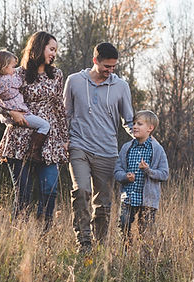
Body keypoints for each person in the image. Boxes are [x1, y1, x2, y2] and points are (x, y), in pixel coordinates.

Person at [0, 31, 68, 231]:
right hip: (19, 137)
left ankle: (44, 235)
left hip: (48, 139)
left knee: (49, 189)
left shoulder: (57, 74)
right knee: (22, 192)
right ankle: (19, 236)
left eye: (55, 50)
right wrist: (11, 113)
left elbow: (59, 107)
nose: (54, 54)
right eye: (51, 49)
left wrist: (64, 138)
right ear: (38, 47)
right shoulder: (18, 74)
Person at [63, 42, 135, 254]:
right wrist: (63, 139)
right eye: (106, 66)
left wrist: (144, 141)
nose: (110, 71)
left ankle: (100, 245)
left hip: (107, 151)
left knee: (103, 204)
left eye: (113, 67)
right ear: (95, 61)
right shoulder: (74, 81)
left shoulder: (121, 86)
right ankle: (84, 242)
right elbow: (65, 114)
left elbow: (129, 120)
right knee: (81, 190)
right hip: (79, 146)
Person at [114, 110, 169, 247]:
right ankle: (126, 250)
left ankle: (146, 259)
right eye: (133, 124)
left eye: (139, 124)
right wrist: (125, 177)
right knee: (123, 223)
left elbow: (164, 174)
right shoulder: (127, 148)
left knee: (146, 231)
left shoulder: (156, 149)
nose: (134, 127)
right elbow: (117, 170)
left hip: (148, 199)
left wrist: (148, 171)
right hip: (128, 196)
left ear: (150, 128)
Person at [0, 49, 50, 161]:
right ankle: (33, 151)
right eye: (12, 67)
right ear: (4, 67)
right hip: (21, 113)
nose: (15, 70)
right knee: (45, 125)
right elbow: (19, 82)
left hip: (10, 117)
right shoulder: (7, 81)